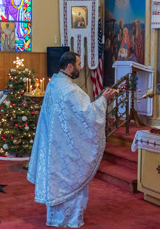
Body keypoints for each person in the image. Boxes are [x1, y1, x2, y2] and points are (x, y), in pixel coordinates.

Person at [27, 52, 116, 228]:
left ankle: (56, 217)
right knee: (71, 178)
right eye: (79, 64)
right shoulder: (71, 90)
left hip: (55, 146)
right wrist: (103, 100)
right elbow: (89, 116)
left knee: (57, 181)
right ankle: (70, 220)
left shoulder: (54, 84)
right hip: (66, 148)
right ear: (70, 67)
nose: (81, 67)